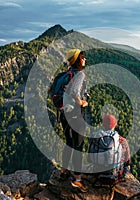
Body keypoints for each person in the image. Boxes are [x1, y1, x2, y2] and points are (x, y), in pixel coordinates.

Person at [59, 49, 88, 193]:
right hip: (76, 114)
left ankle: (64, 171)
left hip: (65, 114)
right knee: (78, 145)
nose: (85, 60)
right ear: (78, 60)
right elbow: (75, 92)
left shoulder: (66, 73)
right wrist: (82, 103)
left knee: (69, 143)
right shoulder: (79, 74)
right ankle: (77, 179)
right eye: (83, 58)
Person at [88, 114, 131, 185]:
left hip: (97, 172)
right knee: (127, 166)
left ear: (103, 125)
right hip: (114, 175)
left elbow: (89, 158)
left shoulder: (95, 138)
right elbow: (127, 161)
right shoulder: (121, 140)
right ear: (115, 125)